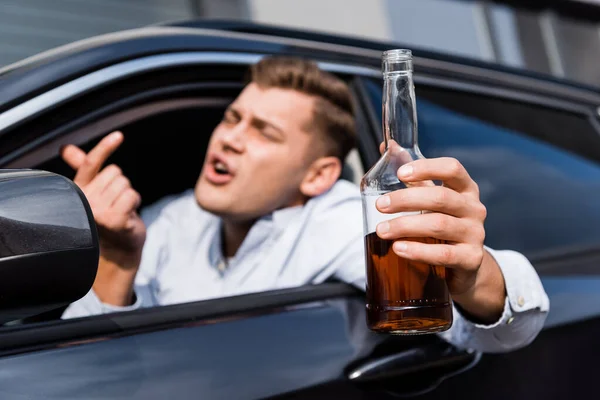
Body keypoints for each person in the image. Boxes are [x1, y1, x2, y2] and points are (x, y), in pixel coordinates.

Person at [62, 56, 549, 352]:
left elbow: (489, 335)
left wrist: (476, 277)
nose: (230, 138)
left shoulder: (341, 221)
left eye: (263, 132)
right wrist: (116, 260)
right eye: (233, 117)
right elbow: (92, 364)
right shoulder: (173, 218)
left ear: (318, 176)